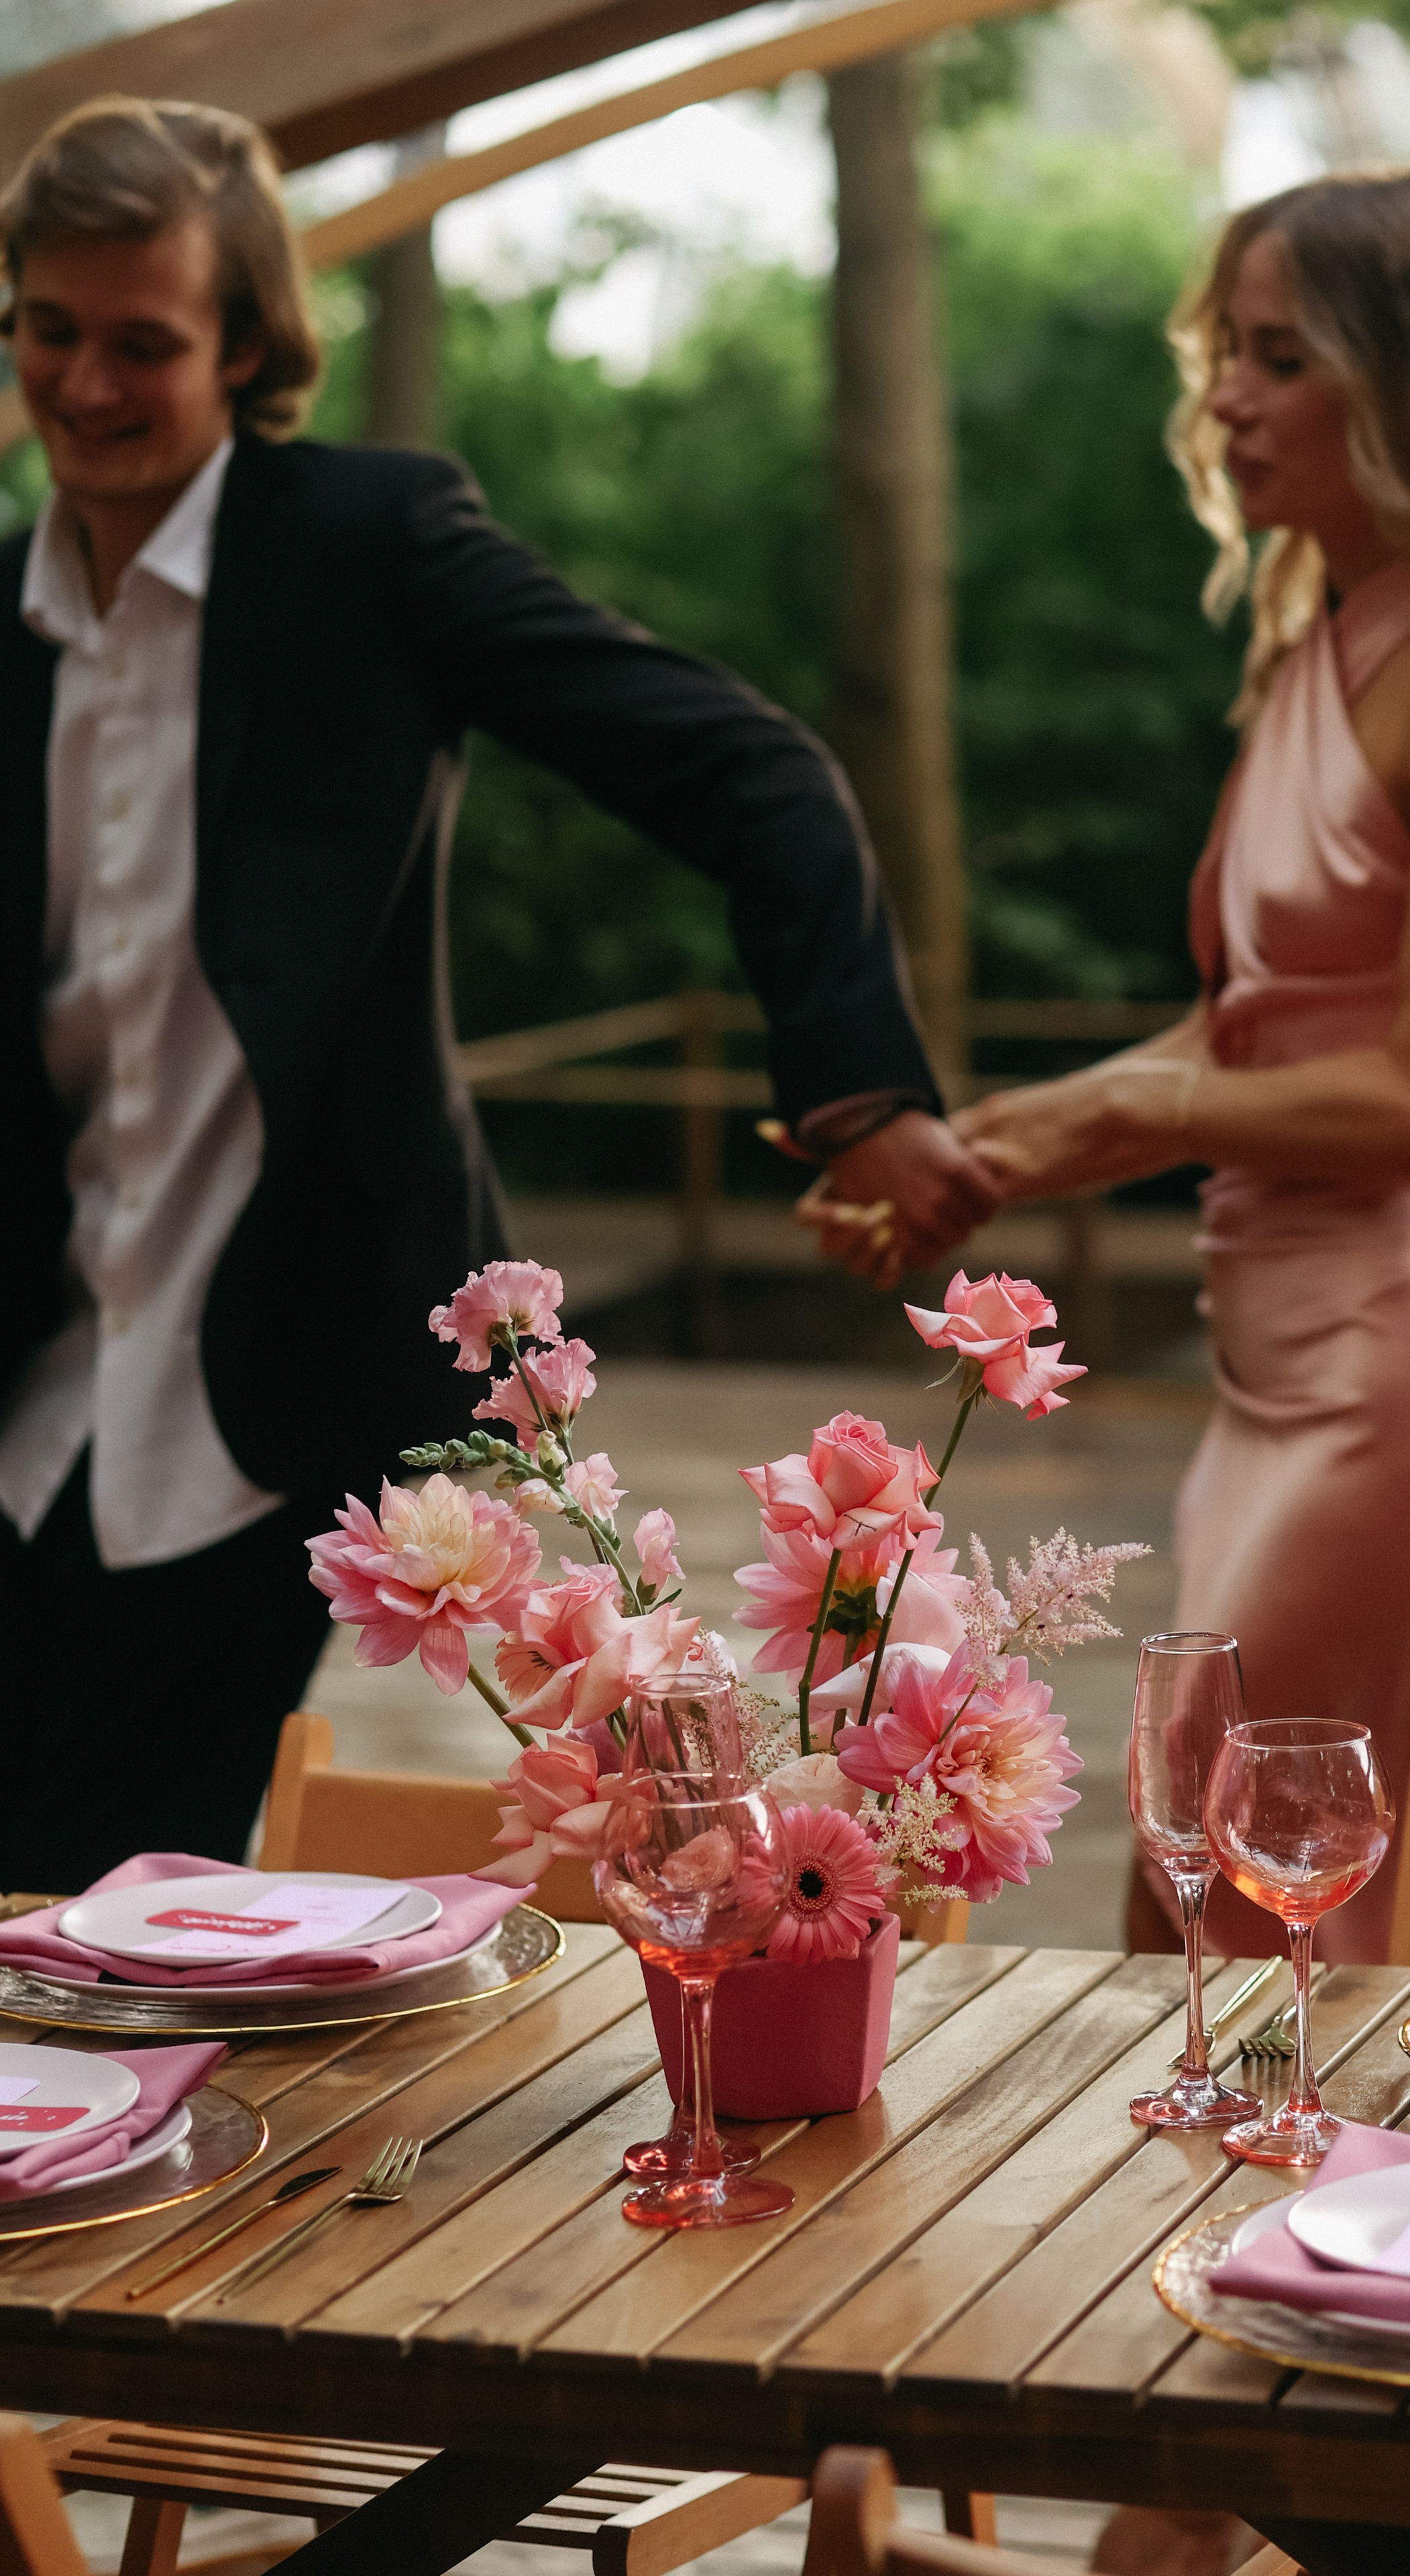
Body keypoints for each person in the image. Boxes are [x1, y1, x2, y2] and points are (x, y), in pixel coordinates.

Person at [0, 95, 997, 1893]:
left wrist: (860, 1090)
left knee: (118, 1900)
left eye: (139, 342)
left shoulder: (365, 549)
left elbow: (751, 773)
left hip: (289, 1379)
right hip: (36, 1380)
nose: (81, 386)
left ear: (243, 346)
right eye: (47, 332)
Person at [944, 163, 1410, 1962]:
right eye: (1225, 347)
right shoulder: (1308, 649)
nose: (1222, 394)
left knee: (1223, 1884)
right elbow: (1255, 1024)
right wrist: (998, 1146)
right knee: (1283, 1902)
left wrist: (1132, 1111)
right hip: (1269, 1379)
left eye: (1277, 353)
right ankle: (1305, 2244)